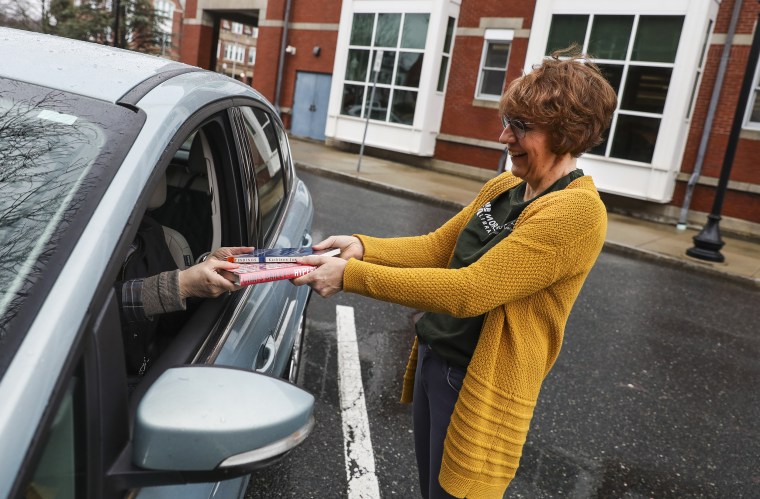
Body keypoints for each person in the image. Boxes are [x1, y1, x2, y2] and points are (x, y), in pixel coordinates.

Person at [293, 46, 617, 498]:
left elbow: (471, 290)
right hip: (435, 358)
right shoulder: (506, 187)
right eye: (508, 122)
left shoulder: (576, 212)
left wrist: (348, 276)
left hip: (475, 382)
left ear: (568, 132)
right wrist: (363, 247)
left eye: (521, 127)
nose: (505, 136)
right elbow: (437, 248)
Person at [116, 213, 249, 377]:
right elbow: (87, 309)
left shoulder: (149, 232)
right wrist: (178, 286)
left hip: (141, 372)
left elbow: (172, 321)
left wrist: (200, 282)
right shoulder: (79, 248)